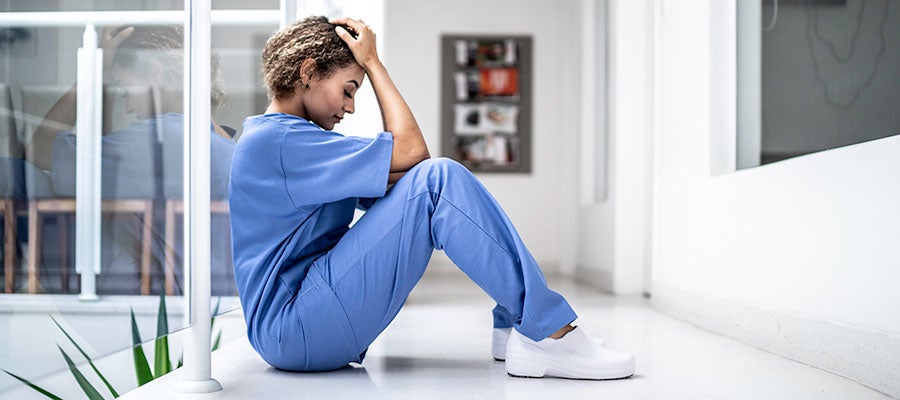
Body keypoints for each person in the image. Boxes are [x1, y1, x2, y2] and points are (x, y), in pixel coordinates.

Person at [229, 16, 635, 379]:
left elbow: (405, 178)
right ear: (309, 72)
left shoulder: (294, 141)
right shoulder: (279, 141)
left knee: (434, 179)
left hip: (301, 320)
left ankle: (519, 322)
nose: (350, 108)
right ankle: (548, 331)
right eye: (348, 90)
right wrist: (373, 62)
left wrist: (415, 177)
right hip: (295, 325)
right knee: (438, 176)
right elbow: (414, 154)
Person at [26, 25, 235, 295]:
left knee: (19, 175)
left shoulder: (165, 140)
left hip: (166, 298)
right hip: (212, 296)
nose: (126, 105)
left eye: (125, 88)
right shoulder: (222, 140)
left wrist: (95, 70)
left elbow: (40, 149)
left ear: (156, 74)